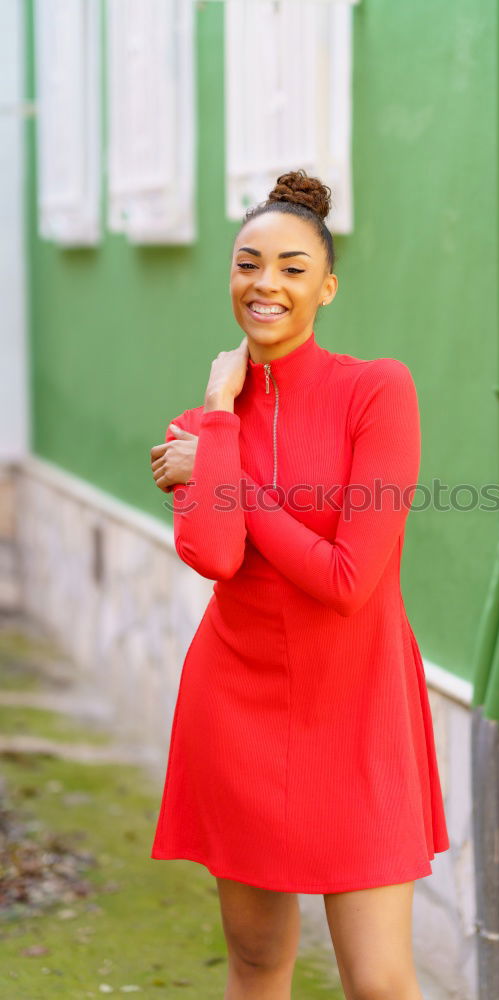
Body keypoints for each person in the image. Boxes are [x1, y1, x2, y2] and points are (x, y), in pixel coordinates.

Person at [149, 169, 450, 1000]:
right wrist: (215, 412)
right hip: (235, 707)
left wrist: (225, 475)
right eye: (249, 264)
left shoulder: (377, 391)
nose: (265, 284)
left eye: (290, 266)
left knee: (381, 981)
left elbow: (350, 579)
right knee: (254, 964)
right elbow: (212, 557)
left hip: (357, 710)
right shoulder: (209, 421)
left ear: (327, 285)